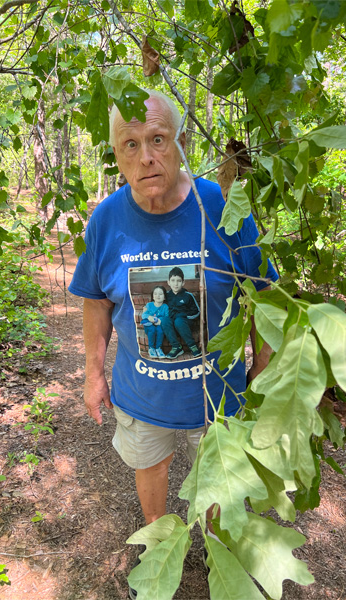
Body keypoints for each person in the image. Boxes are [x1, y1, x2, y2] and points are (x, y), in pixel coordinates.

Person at [68, 89, 279, 596]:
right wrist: (94, 375)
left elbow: (263, 292)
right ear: (116, 154)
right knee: (151, 466)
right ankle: (161, 541)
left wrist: (264, 367)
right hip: (143, 396)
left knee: (215, 479)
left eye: (158, 139)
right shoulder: (106, 220)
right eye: (130, 144)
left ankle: (214, 547)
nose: (146, 157)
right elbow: (96, 300)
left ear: (181, 141)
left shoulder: (220, 207)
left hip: (218, 399)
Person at [161, 266, 201, 359]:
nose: (176, 284)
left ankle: (192, 346)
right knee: (165, 320)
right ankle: (176, 347)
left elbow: (197, 312)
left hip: (184, 324)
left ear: (183, 282)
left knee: (179, 321)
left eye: (179, 281)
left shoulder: (188, 296)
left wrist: (183, 316)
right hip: (171, 327)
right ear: (168, 282)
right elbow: (160, 309)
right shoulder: (166, 296)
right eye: (173, 280)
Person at [140, 285, 169, 359]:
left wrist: (160, 320)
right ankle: (151, 348)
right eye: (155, 294)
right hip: (149, 324)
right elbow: (144, 315)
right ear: (153, 296)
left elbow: (167, 317)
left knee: (160, 331)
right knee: (152, 330)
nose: (158, 296)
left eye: (160, 294)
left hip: (159, 324)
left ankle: (158, 348)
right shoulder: (149, 305)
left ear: (164, 297)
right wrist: (149, 317)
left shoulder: (165, 307)